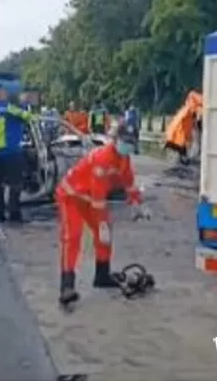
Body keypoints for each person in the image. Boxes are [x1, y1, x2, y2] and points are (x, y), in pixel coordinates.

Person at [54, 122, 151, 306]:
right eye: (125, 141)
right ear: (115, 140)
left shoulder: (124, 159)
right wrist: (101, 223)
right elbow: (98, 196)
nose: (128, 145)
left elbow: (128, 182)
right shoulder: (102, 157)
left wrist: (137, 203)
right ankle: (67, 286)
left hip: (91, 199)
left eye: (131, 142)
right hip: (71, 196)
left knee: (105, 236)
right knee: (73, 237)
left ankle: (102, 275)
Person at [0, 83, 33, 223]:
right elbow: (28, 117)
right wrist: (25, 103)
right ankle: (14, 214)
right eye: (3, 91)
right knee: (16, 184)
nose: (6, 94)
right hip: (10, 152)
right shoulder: (8, 108)